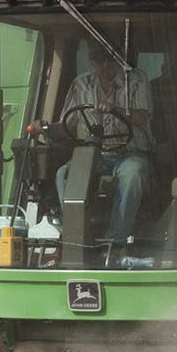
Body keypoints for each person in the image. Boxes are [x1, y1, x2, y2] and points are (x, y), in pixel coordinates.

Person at [56, 44, 153, 244]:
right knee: (64, 174)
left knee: (132, 174)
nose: (106, 65)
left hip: (132, 153)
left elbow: (142, 117)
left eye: (111, 60)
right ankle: (77, 237)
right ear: (92, 62)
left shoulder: (136, 80)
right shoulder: (80, 84)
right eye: (100, 61)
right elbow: (66, 125)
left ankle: (115, 241)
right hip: (96, 155)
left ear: (119, 59)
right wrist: (44, 127)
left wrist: (114, 109)